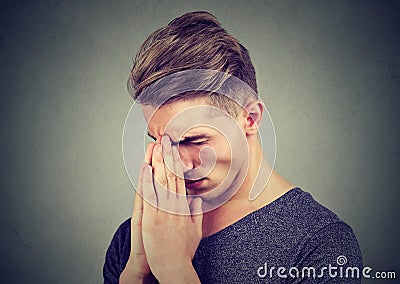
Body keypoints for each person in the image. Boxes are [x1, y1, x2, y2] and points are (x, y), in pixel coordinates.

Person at [104, 11, 362, 283]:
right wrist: (135, 273)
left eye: (194, 141)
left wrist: (174, 269)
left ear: (250, 119)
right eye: (160, 142)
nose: (175, 163)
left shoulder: (322, 246)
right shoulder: (133, 241)